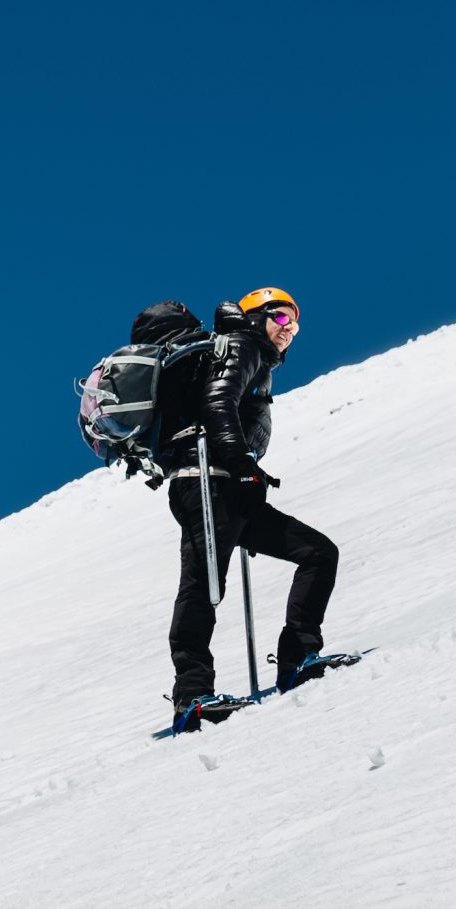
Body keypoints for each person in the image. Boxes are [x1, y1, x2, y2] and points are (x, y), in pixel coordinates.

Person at [158, 290, 339, 725]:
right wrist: (241, 464)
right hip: (206, 480)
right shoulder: (241, 346)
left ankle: (297, 658)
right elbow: (217, 402)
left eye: (295, 323)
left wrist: (244, 472)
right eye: (279, 316)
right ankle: (193, 697)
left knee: (317, 553)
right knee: (202, 585)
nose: (288, 328)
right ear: (255, 318)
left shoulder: (253, 354)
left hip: (231, 486)